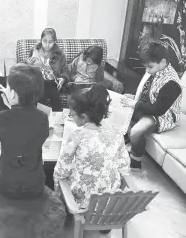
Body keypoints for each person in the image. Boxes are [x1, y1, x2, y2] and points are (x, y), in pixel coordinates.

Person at [53, 84, 130, 218]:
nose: (71, 117)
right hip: (109, 200)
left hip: (83, 203)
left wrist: (57, 191)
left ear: (83, 116)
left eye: (72, 114)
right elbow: (124, 166)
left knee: (61, 179)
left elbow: (61, 170)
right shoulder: (117, 133)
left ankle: (67, 212)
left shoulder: (76, 136)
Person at [121, 42, 182, 171]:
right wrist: (134, 98)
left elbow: (158, 110)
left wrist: (136, 104)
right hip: (150, 106)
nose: (147, 71)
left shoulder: (171, 83)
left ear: (163, 61)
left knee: (136, 132)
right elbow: (147, 90)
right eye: (146, 67)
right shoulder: (155, 70)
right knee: (121, 111)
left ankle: (135, 162)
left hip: (163, 115)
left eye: (150, 67)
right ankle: (125, 146)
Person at [0, 63, 49, 199]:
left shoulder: (0, 118)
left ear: (12, 93)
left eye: (7, 87)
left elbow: (7, 141)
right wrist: (13, 106)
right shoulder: (43, 117)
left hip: (8, 185)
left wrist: (10, 108)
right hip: (35, 185)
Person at [25, 28, 70, 111]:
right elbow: (26, 68)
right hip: (37, 82)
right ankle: (41, 117)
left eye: (50, 42)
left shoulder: (59, 54)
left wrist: (63, 78)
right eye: (44, 41)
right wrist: (28, 63)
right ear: (41, 40)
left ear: (55, 41)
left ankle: (58, 118)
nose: (47, 45)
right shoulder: (34, 51)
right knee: (41, 95)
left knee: (55, 96)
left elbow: (65, 69)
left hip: (52, 82)